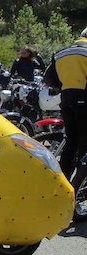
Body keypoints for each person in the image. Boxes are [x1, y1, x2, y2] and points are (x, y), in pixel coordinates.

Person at [55, 26, 87, 179]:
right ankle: (81, 186)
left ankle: (63, 181)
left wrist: (65, 87)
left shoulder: (62, 52)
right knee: (84, 144)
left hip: (66, 98)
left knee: (71, 141)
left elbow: (49, 77)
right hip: (84, 98)